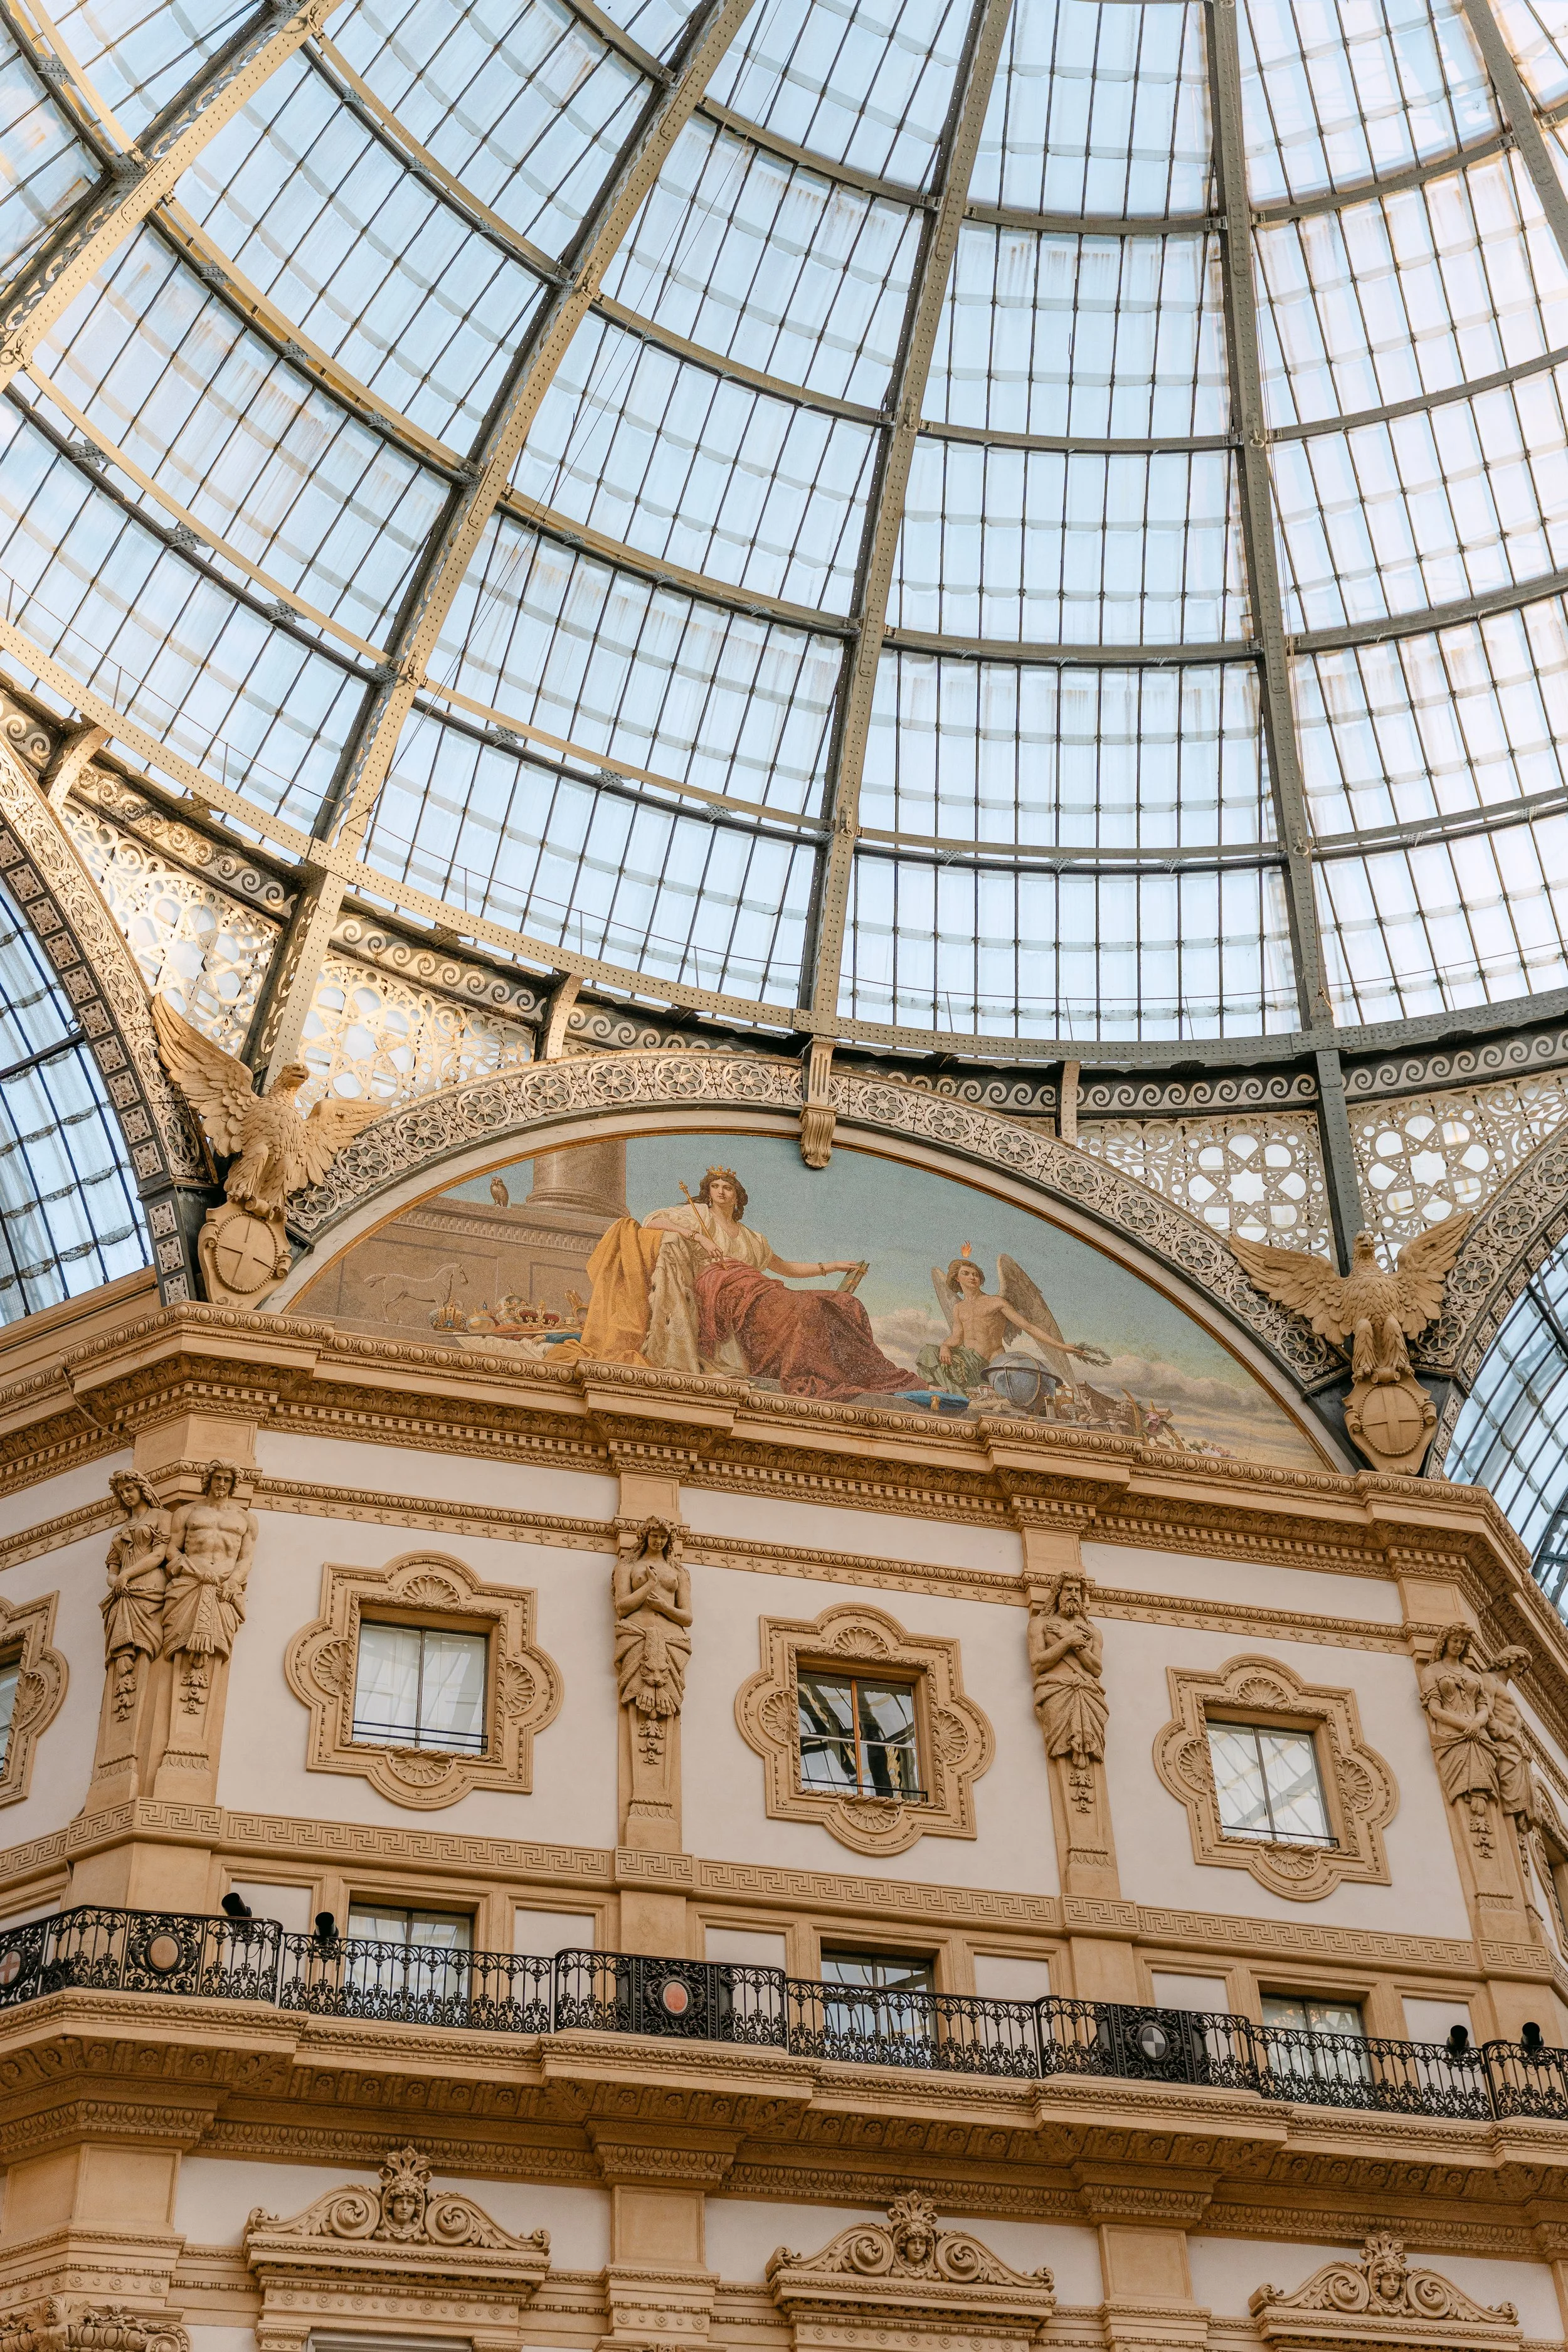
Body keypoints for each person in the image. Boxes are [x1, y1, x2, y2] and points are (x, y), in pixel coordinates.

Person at [576, 1167, 909, 1402]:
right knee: (801, 1307)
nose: (720, 1192)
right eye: (715, 1186)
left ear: (738, 1196)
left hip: (756, 1288)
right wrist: (697, 1238)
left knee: (832, 1303)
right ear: (708, 1192)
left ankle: (838, 1369)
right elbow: (651, 1222)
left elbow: (785, 1268)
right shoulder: (696, 1216)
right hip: (719, 1289)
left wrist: (830, 1267)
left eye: (727, 1187)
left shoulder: (753, 1238)